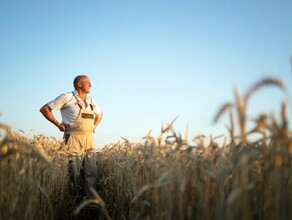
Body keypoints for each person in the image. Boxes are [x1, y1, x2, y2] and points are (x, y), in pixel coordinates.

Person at [40, 75, 103, 200]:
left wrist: (93, 127)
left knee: (91, 171)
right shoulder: (67, 97)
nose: (91, 85)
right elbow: (45, 109)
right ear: (79, 84)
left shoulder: (91, 100)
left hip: (90, 139)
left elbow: (100, 114)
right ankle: (74, 201)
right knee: (73, 172)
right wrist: (58, 124)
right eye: (88, 82)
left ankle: (90, 201)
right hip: (73, 138)